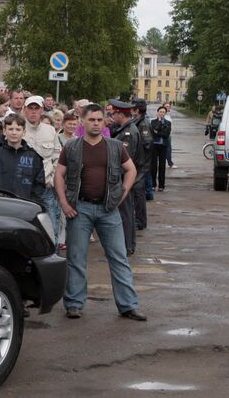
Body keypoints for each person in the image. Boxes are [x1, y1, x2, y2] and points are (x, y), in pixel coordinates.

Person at [54, 103, 145, 321]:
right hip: (80, 209)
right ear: (82, 122)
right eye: (91, 119)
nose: (96, 123)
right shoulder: (72, 147)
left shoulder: (115, 146)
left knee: (119, 257)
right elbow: (59, 175)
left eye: (99, 119)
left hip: (108, 210)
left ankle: (128, 306)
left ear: (104, 121)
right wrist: (65, 204)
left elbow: (131, 169)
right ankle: (74, 303)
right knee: (76, 257)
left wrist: (122, 193)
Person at [23, 95, 61, 244]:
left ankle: (54, 257)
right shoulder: (18, 128)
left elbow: (57, 157)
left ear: (42, 110)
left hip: (46, 188)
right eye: (30, 108)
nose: (33, 112)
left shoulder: (50, 130)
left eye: (36, 108)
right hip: (24, 188)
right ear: (24, 110)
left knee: (51, 228)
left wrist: (52, 180)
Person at [0, 113, 45, 203]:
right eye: (10, 129)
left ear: (24, 132)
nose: (14, 132)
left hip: (25, 208)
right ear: (4, 131)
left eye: (18, 129)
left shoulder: (34, 157)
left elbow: (39, 187)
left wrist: (32, 204)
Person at [110, 99, 143, 256]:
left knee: (125, 213)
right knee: (125, 212)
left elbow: (124, 160)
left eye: (113, 113)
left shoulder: (128, 133)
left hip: (124, 179)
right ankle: (126, 245)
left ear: (119, 114)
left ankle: (126, 246)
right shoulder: (125, 129)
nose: (112, 116)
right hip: (123, 179)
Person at [130, 99, 153, 229]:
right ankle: (138, 219)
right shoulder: (137, 121)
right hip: (139, 163)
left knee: (138, 193)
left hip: (141, 164)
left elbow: (147, 143)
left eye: (132, 108)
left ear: (137, 110)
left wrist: (138, 158)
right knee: (136, 192)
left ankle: (140, 221)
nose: (131, 111)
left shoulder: (143, 124)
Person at [150, 106, 172, 191]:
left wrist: (157, 132)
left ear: (165, 113)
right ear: (157, 112)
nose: (161, 113)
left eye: (163, 112)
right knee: (153, 166)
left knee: (162, 166)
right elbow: (153, 133)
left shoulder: (168, 123)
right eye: (160, 112)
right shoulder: (153, 122)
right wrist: (159, 124)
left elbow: (166, 135)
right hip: (154, 146)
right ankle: (153, 184)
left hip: (163, 146)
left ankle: (161, 185)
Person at [163, 102, 177, 168]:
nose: (168, 107)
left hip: (169, 135)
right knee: (167, 149)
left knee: (168, 149)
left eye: (169, 106)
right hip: (164, 135)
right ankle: (170, 163)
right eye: (166, 106)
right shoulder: (162, 115)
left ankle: (170, 163)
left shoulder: (168, 115)